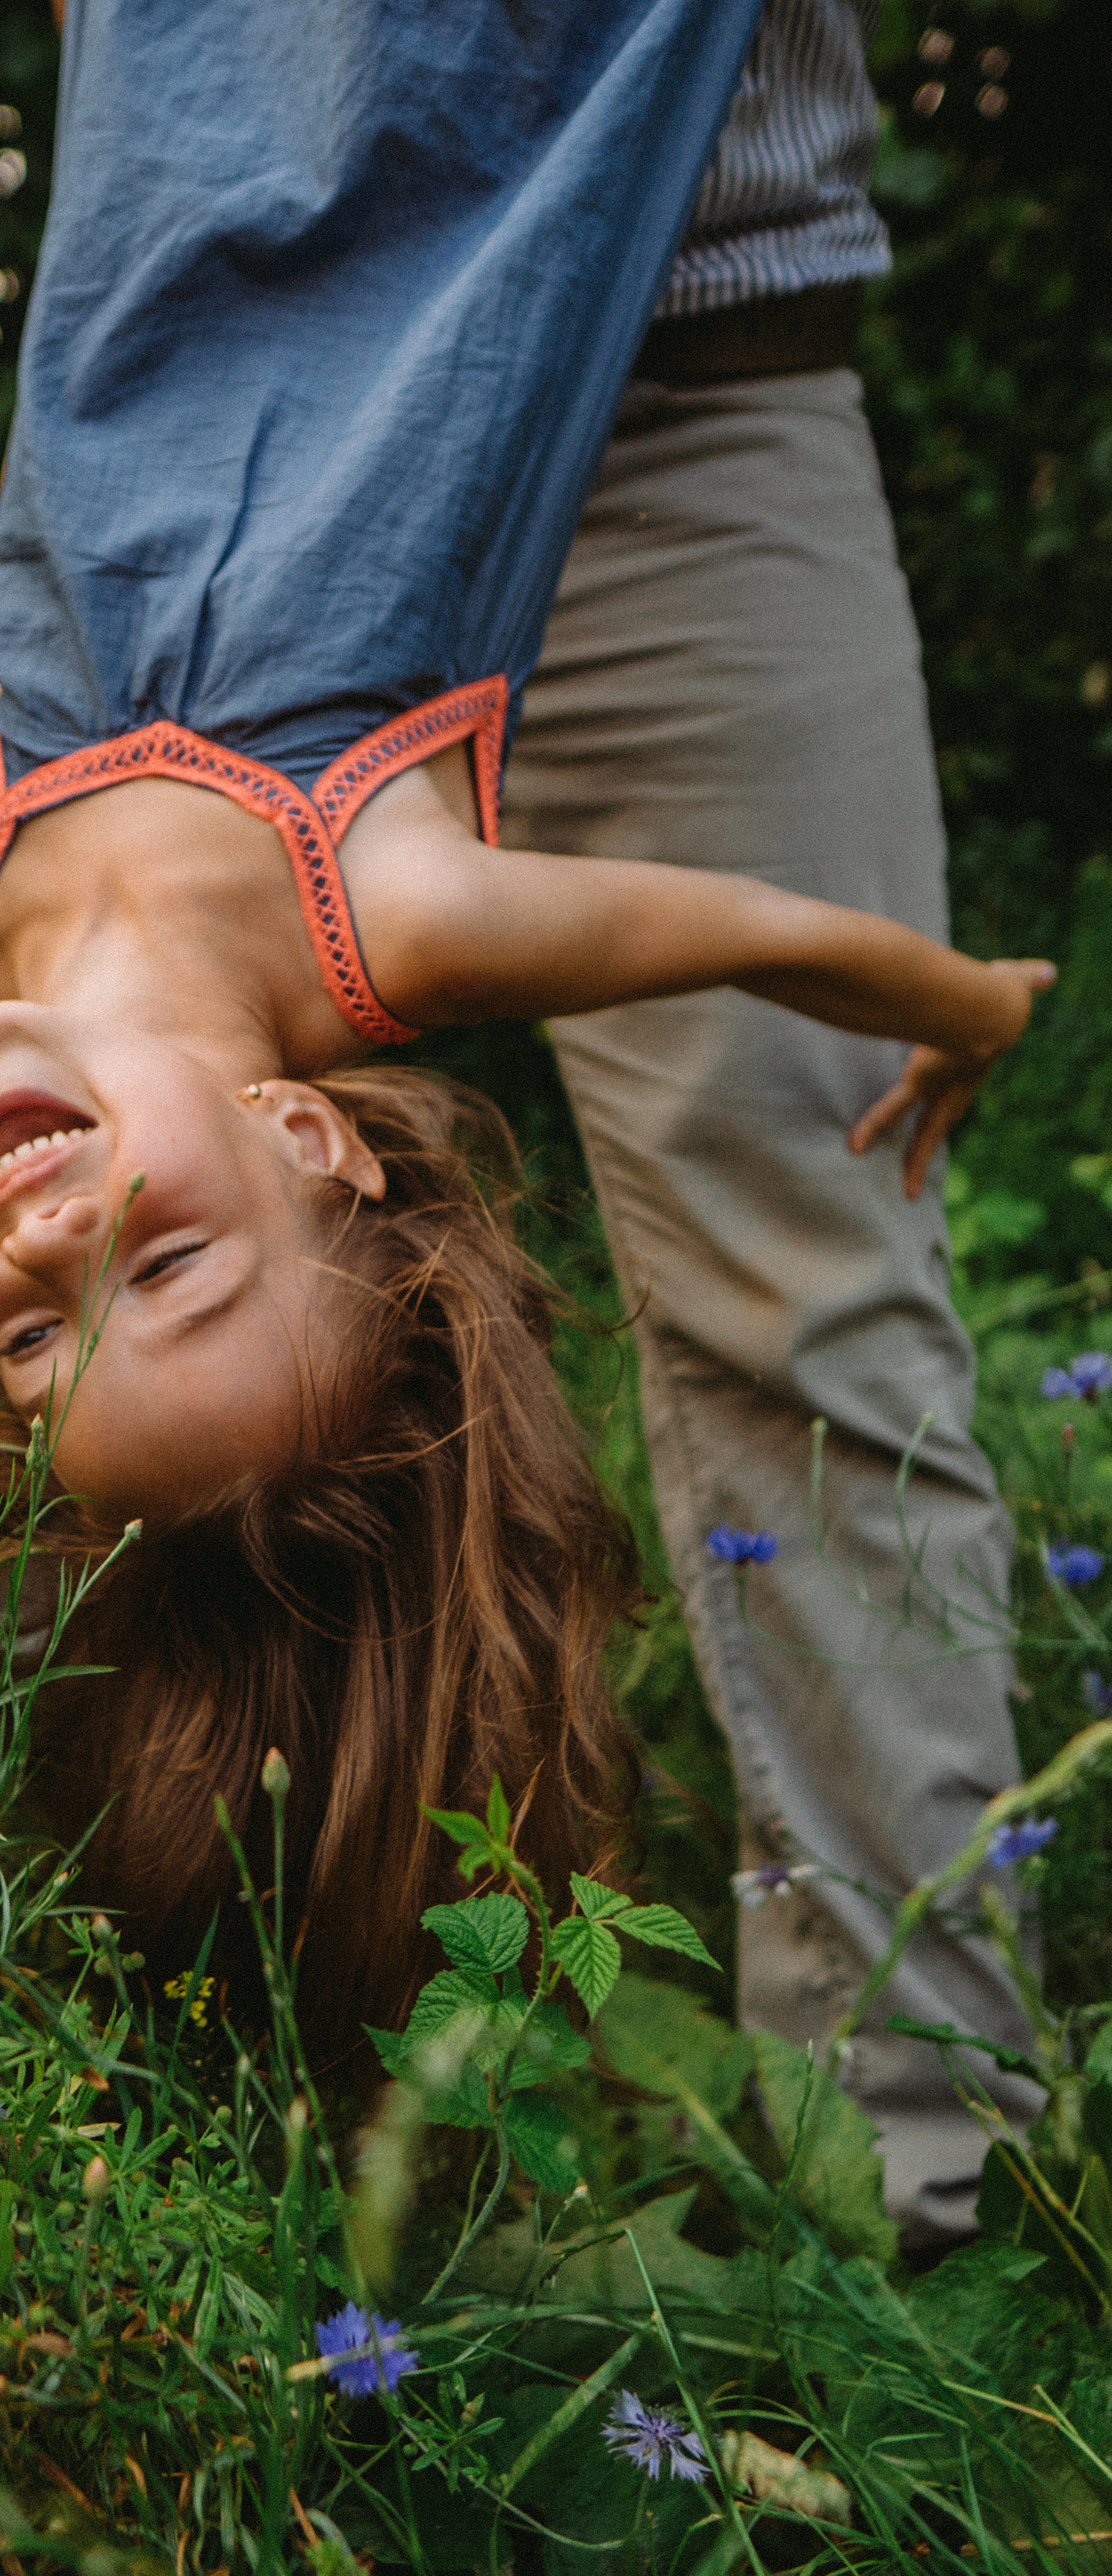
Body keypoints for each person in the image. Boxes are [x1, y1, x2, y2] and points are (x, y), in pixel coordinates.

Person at [0, 0, 1050, 2080]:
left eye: (33, 1337)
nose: (46, 1244)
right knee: (811, 1266)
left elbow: (67, 496)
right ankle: (909, 2188)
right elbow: (764, 935)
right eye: (164, 1269)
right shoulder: (383, 905)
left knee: (811, 1312)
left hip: (647, 341)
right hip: (561, 208)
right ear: (309, 1136)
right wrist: (972, 1005)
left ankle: (919, 2147)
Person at [497, 0, 1042, 2250]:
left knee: (812, 1299)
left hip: (684, 377)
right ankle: (182, 2130)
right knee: (143, 1260)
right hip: (242, 424)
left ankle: (926, 2208)